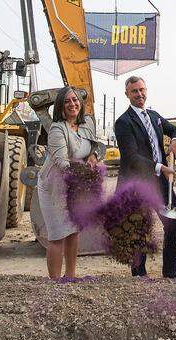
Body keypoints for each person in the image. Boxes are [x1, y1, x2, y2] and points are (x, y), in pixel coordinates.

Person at [114, 76, 176, 278]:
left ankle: (170, 273)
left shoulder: (154, 116)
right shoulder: (123, 122)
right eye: (134, 91)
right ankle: (139, 274)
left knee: (174, 223)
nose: (139, 94)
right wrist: (161, 167)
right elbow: (131, 157)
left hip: (161, 184)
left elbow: (174, 129)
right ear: (127, 94)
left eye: (142, 90)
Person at [37, 87, 102, 279]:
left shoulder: (86, 124)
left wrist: (93, 156)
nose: (72, 104)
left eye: (75, 100)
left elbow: (95, 146)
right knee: (57, 235)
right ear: (61, 106)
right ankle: (55, 282)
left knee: (74, 231)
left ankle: (70, 276)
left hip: (74, 186)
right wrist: (86, 175)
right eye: (67, 101)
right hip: (54, 186)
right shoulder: (58, 129)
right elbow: (62, 163)